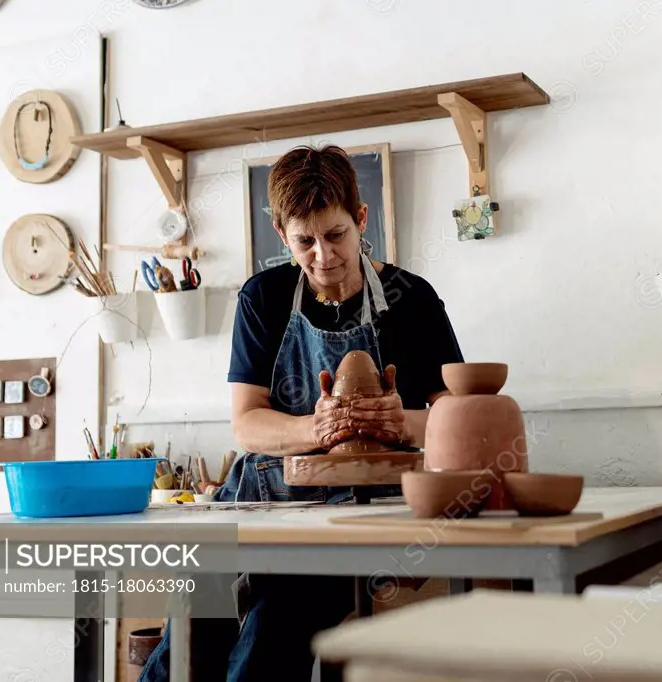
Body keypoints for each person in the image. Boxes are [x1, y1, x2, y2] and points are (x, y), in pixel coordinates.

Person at [140, 144, 464, 681]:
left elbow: (457, 416)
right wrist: (317, 428)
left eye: (335, 235)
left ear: (361, 220)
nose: (323, 256)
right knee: (189, 638)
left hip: (360, 516)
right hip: (263, 502)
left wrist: (398, 422)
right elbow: (246, 422)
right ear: (280, 234)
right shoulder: (263, 298)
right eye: (304, 241)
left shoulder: (412, 299)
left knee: (271, 633)